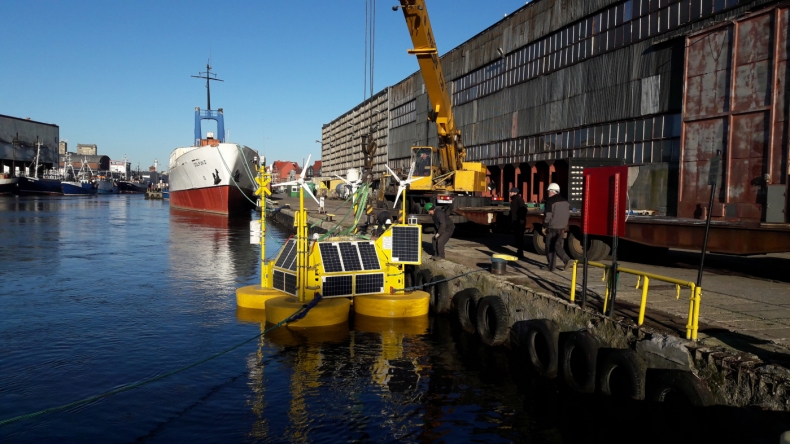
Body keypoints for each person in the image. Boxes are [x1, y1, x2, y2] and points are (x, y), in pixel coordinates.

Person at [543, 182, 571, 271]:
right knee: (557, 245)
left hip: (552, 227)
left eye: (548, 191)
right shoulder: (565, 201)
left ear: (552, 191)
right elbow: (568, 214)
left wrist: (544, 225)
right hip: (562, 226)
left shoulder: (550, 201)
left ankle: (551, 267)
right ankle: (567, 260)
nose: (548, 193)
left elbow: (548, 215)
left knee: (549, 246)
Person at [509, 187, 527, 258]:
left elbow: (524, 209)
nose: (510, 193)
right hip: (516, 221)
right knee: (517, 238)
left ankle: (520, 252)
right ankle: (519, 252)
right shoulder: (514, 200)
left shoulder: (518, 199)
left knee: (519, 238)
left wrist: (521, 220)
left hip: (519, 222)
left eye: (511, 192)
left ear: (515, 193)